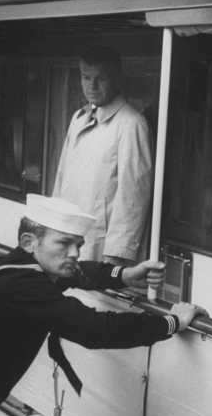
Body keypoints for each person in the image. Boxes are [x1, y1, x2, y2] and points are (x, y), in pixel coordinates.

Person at [0, 194, 206, 416]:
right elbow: (96, 329)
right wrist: (171, 322)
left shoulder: (16, 269)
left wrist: (124, 275)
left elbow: (78, 272)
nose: (74, 253)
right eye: (63, 243)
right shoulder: (23, 286)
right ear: (29, 242)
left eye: (78, 245)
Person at [52, 45, 153, 266]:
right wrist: (54, 229)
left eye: (101, 78)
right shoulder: (79, 118)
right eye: (86, 77)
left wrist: (117, 255)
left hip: (99, 247)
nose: (92, 86)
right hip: (68, 238)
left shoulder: (131, 124)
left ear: (116, 79)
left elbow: (133, 196)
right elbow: (62, 179)